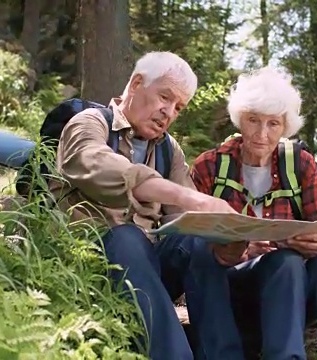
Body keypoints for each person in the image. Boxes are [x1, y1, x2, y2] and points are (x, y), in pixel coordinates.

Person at [50, 51, 249, 360]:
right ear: (137, 83)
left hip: (149, 272)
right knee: (127, 236)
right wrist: (191, 197)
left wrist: (230, 242)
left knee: (198, 242)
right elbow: (99, 165)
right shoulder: (89, 123)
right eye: (164, 97)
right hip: (92, 264)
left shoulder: (169, 149)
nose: (168, 112)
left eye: (178, 107)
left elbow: (187, 223)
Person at [190, 66, 317, 360]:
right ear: (240, 119)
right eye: (253, 121)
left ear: (285, 126)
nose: (261, 134)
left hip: (293, 288)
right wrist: (241, 250)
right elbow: (192, 248)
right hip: (233, 291)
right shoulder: (210, 166)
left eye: (273, 124)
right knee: (284, 260)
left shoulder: (300, 163)